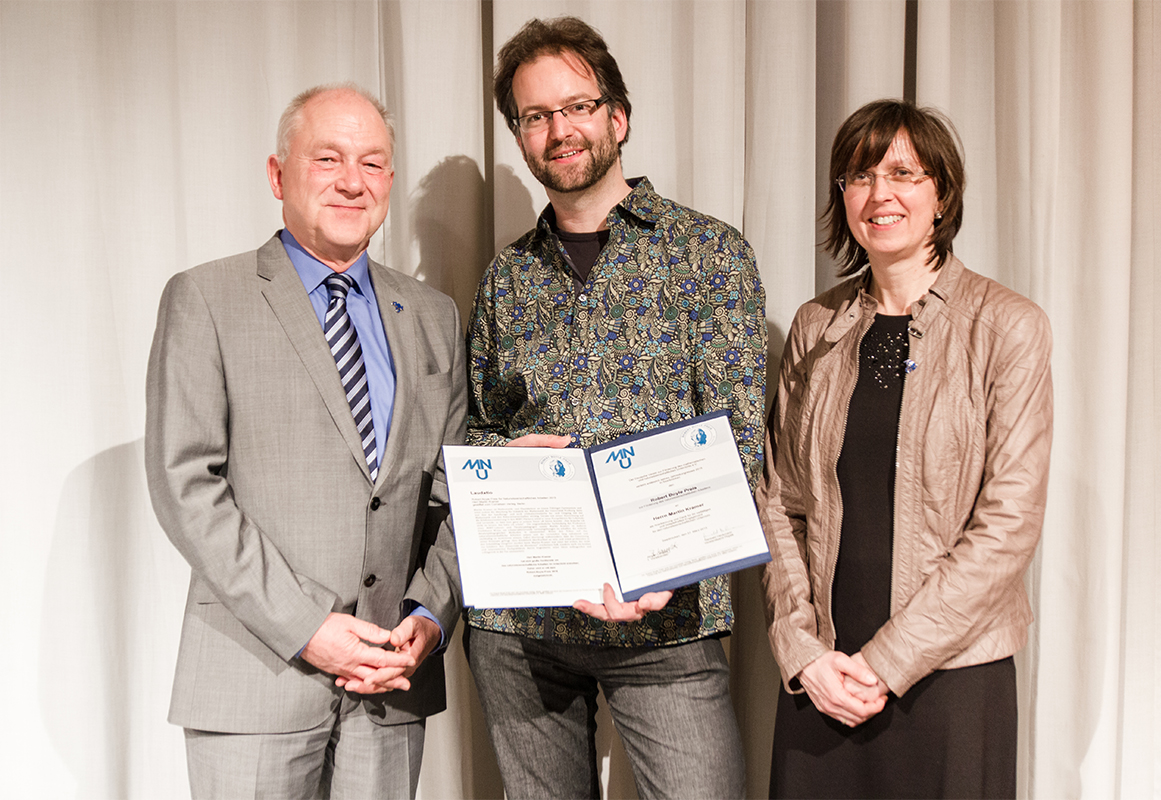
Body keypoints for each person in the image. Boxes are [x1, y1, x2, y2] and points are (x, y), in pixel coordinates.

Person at [464, 16, 765, 799]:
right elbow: (478, 429)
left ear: (616, 117)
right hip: (523, 626)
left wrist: (668, 570)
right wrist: (501, 461)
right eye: (535, 117)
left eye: (577, 106)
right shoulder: (504, 279)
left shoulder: (709, 253)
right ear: (520, 139)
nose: (558, 130)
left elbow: (741, 436)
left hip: (667, 616)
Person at [144, 84, 465, 799]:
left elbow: (454, 497)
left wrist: (426, 618)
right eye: (328, 158)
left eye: (373, 164)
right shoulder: (206, 298)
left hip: (390, 685)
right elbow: (185, 485)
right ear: (277, 173)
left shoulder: (435, 317)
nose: (353, 181)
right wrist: (307, 627)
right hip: (256, 677)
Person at [757, 99, 1053, 798]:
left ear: (941, 193)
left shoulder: (1009, 327)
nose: (880, 193)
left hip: (952, 680)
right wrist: (804, 653)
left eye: (904, 174)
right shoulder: (814, 325)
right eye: (859, 176)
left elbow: (1008, 525)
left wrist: (888, 663)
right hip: (824, 677)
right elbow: (777, 498)